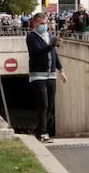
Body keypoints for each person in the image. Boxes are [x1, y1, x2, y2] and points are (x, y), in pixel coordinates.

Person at [25, 12, 65, 142]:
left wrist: (61, 70)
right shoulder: (31, 37)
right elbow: (37, 53)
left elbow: (54, 54)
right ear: (35, 23)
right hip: (38, 76)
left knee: (50, 105)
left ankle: (45, 131)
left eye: (46, 23)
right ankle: (41, 133)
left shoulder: (49, 35)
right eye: (42, 24)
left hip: (51, 75)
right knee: (43, 104)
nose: (44, 26)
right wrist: (51, 45)